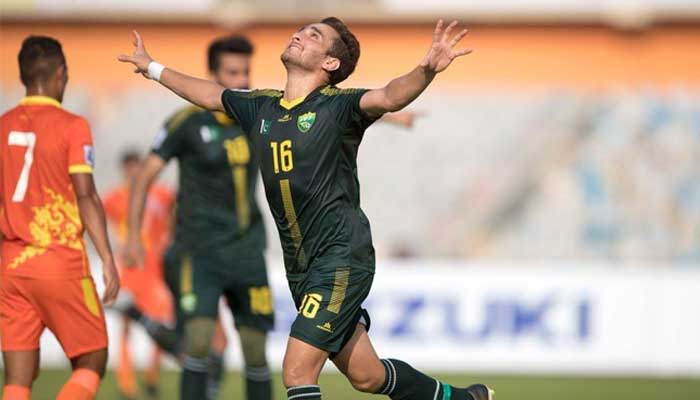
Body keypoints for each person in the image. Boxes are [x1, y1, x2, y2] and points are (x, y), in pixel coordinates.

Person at [118, 17, 493, 400]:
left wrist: (426, 69)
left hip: (341, 258)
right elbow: (211, 95)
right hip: (302, 268)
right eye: (301, 30)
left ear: (330, 64)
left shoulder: (340, 107)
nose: (298, 34)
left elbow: (389, 96)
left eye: (314, 35)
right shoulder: (261, 106)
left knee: (297, 371)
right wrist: (152, 68)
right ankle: (461, 399)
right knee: (368, 376)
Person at [121, 35, 275, 400]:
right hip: (198, 251)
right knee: (200, 342)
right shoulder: (186, 122)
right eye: (232, 72)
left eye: (245, 72)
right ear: (212, 74)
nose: (241, 81)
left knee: (255, 349)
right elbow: (144, 176)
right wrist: (132, 239)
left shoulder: (258, 117)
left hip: (247, 251)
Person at [1, 35, 119, 400]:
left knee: (18, 379)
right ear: (61, 74)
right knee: (92, 359)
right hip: (59, 262)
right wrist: (107, 258)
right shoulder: (72, 125)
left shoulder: (2, 126)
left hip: (11, 266)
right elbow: (85, 194)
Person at [103, 150, 174, 399]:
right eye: (129, 168)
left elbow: (174, 215)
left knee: (160, 326)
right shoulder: (116, 197)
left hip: (154, 268)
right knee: (126, 326)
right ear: (125, 170)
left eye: (136, 167)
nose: (133, 172)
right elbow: (97, 217)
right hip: (130, 269)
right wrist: (114, 244)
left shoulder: (161, 194)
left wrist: (168, 240)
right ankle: (126, 385)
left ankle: (152, 377)